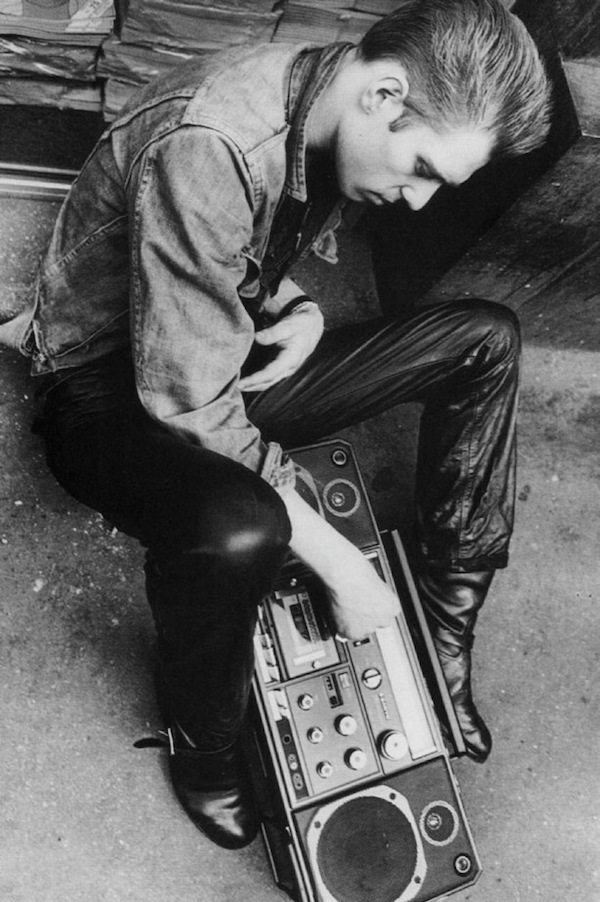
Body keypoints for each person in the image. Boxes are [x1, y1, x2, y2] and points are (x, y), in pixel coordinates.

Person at [20, 0, 551, 851]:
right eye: (421, 168)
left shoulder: (335, 89)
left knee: (485, 339)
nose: (414, 201)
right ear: (385, 93)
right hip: (106, 392)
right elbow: (190, 409)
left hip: (217, 342)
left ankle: (444, 633)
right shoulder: (214, 141)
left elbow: (246, 249)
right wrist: (341, 565)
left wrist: (295, 303)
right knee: (244, 531)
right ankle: (204, 743)